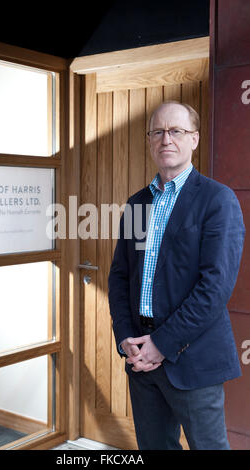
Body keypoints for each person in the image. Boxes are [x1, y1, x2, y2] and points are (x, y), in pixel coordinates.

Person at [108, 101, 245, 450]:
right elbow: (120, 277)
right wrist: (127, 337)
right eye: (158, 131)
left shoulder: (218, 200)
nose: (166, 139)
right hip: (141, 360)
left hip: (193, 360)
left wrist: (162, 345)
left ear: (194, 139)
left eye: (176, 131)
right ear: (150, 140)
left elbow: (214, 289)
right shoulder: (137, 204)